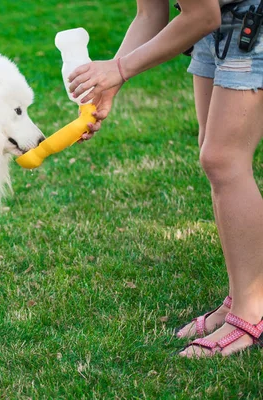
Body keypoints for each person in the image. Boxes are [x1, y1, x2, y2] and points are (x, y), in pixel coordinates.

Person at [68, 0, 263, 357]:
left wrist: (120, 70)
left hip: (252, 19)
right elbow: (151, 13)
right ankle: (242, 295)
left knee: (224, 159)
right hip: (218, 21)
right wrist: (111, 80)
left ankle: (252, 311)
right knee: (213, 150)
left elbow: (203, 14)